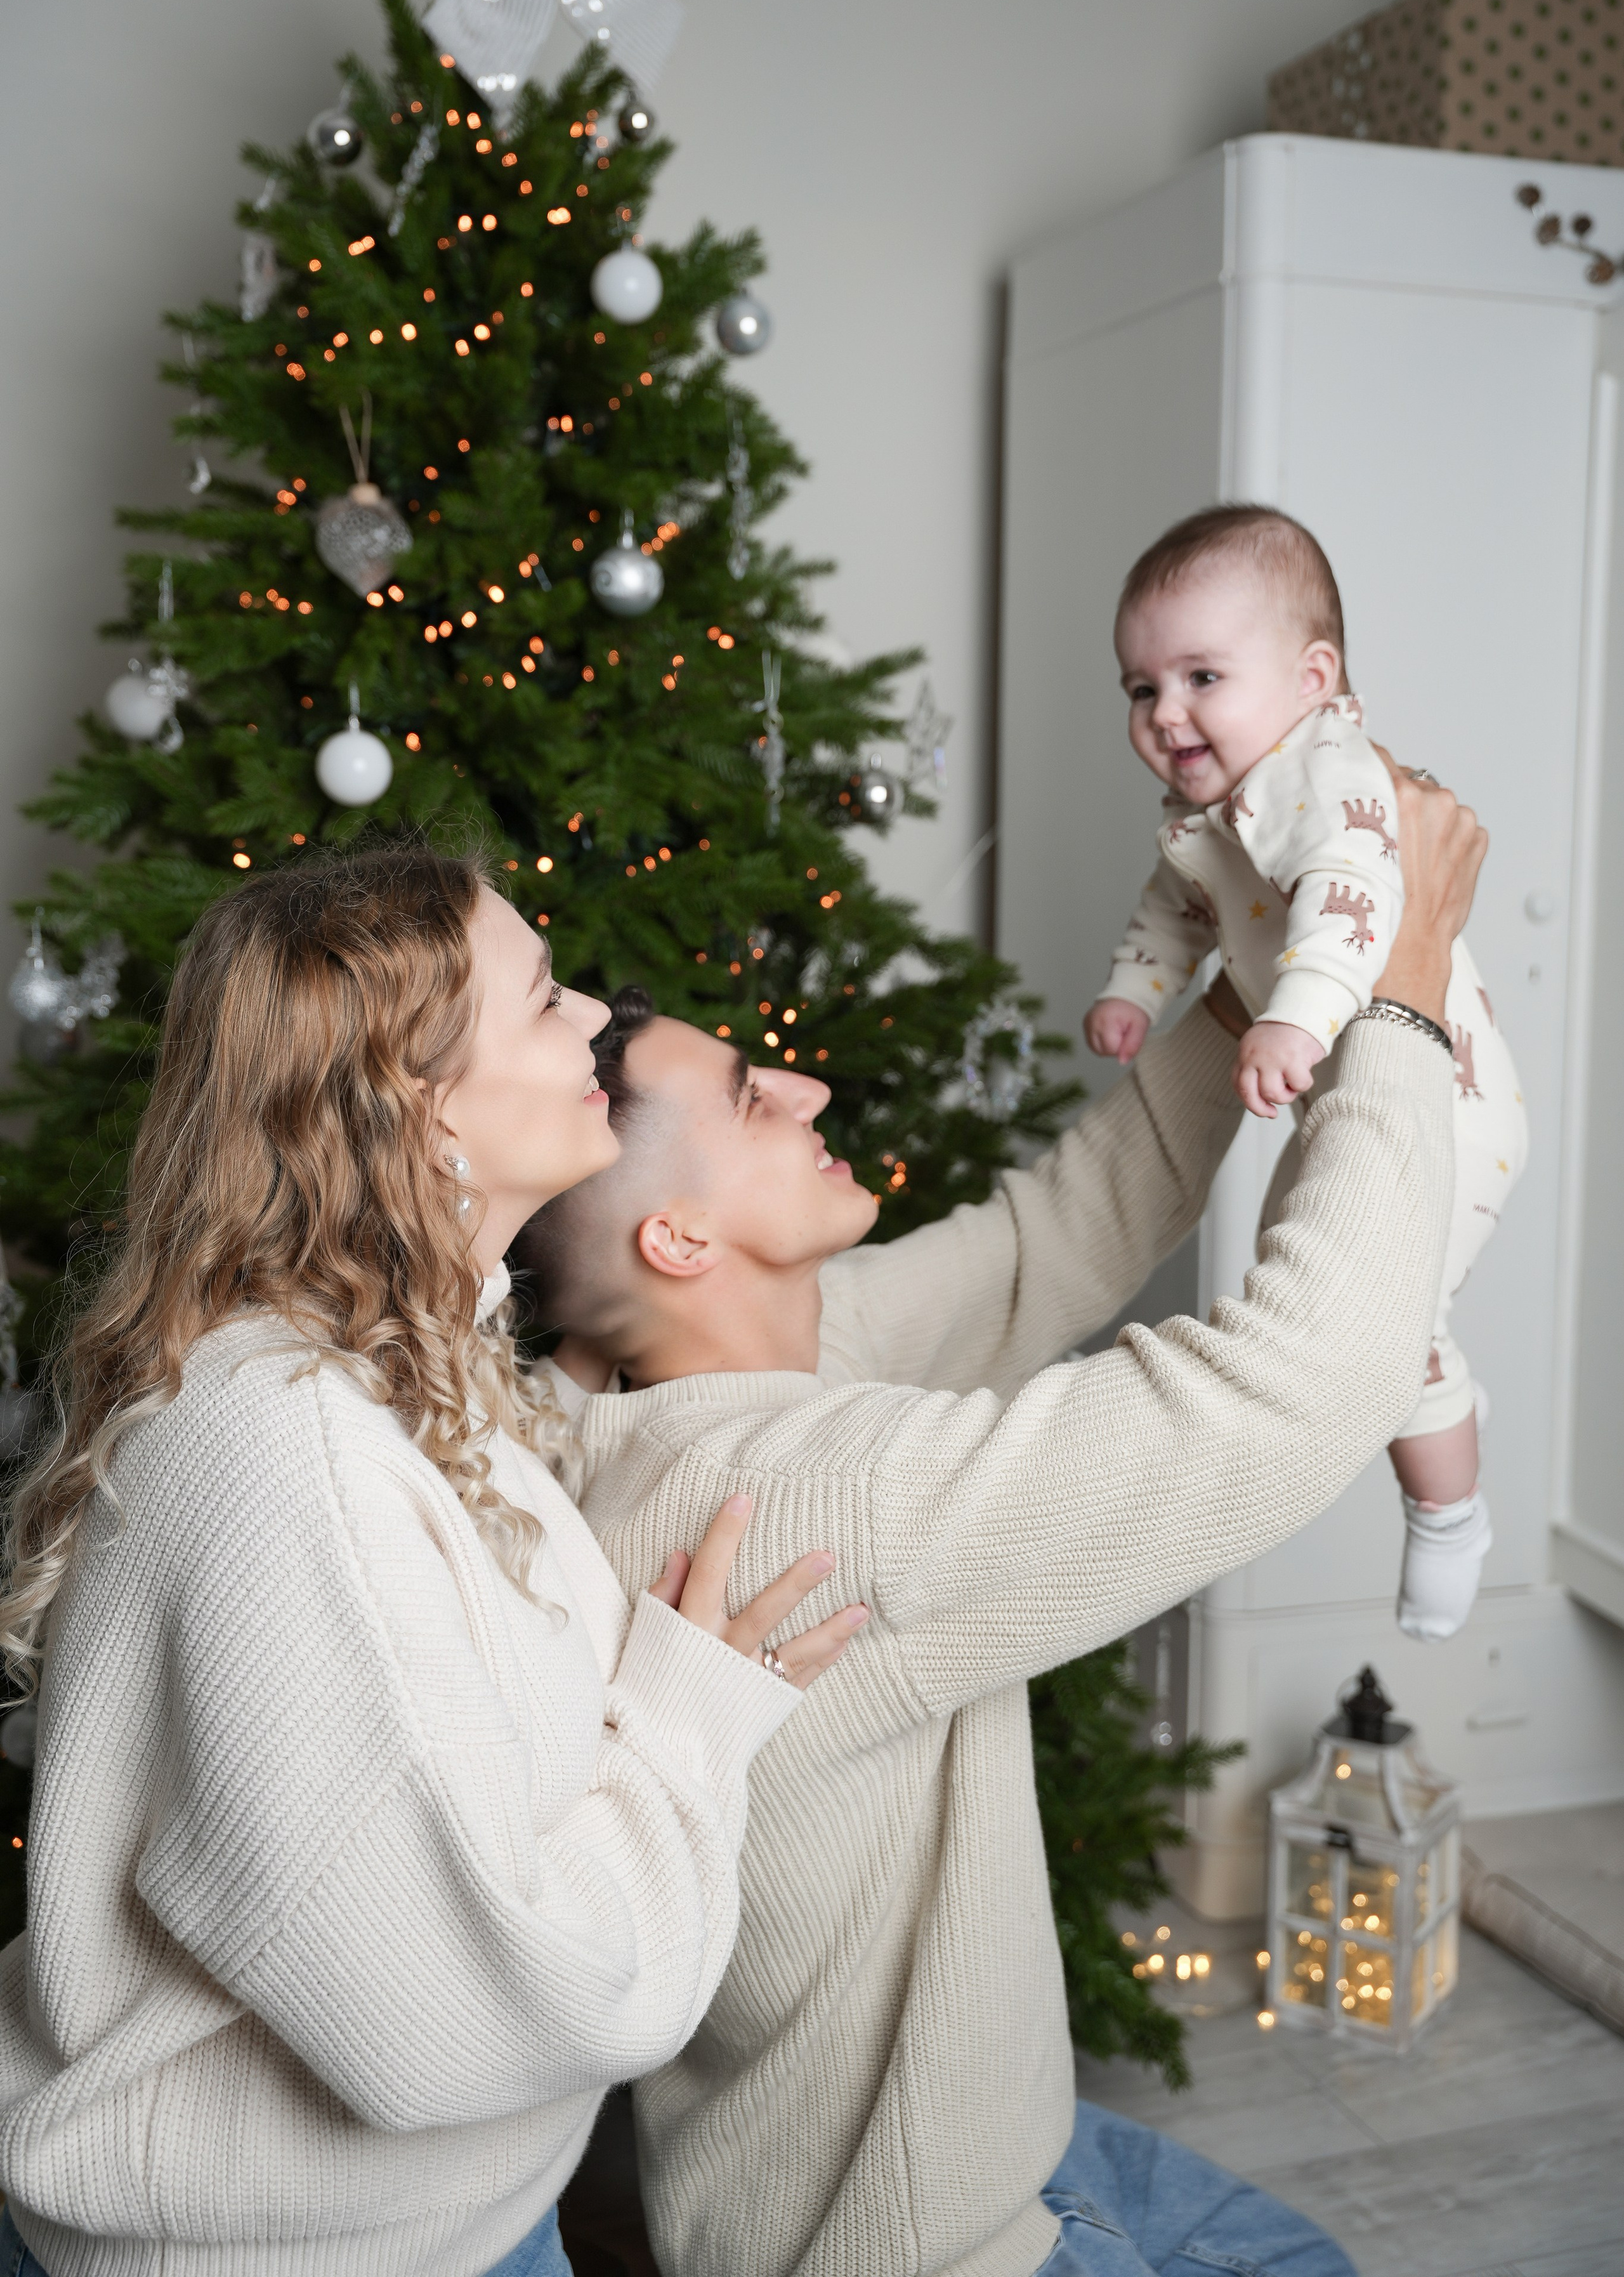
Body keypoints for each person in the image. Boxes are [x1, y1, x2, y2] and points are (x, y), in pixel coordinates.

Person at [515, 761, 1485, 2277]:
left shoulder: (654, 1409)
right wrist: (1406, 991)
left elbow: (1054, 1236)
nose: (810, 1090)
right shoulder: (811, 1505)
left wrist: (1281, 968)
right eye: (749, 1097)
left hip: (969, 2170)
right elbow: (1301, 1385)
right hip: (937, 2248)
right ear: (678, 1235)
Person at [0, 848, 865, 2277]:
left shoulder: (421, 1374)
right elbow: (465, 2012)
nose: (593, 1014)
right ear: (417, 1101)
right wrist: (682, 1718)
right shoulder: (295, 1454)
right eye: (541, 1001)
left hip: (445, 2233)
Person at [1085, 503, 1524, 1640]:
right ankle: (1438, 1441)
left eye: (1201, 677)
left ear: (1313, 676)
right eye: (1142, 688)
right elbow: (1176, 909)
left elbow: (1356, 899)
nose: (1166, 712)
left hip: (1450, 1102)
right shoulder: (1206, 805)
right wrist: (1137, 994)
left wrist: (1296, 1019)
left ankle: (1451, 1511)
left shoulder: (1328, 777)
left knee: (1381, 1324)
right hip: (1339, 1089)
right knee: (1309, 1281)